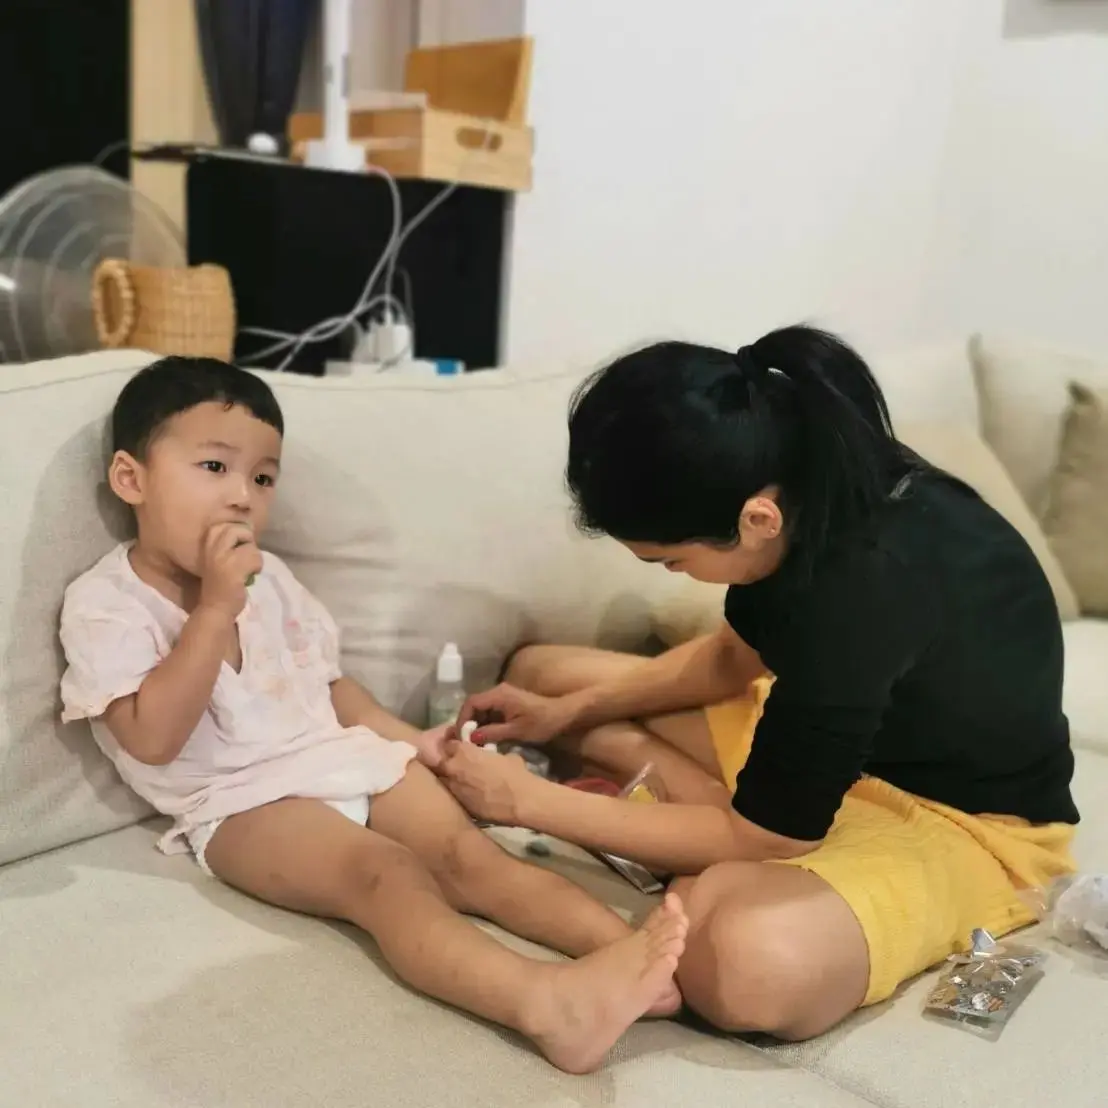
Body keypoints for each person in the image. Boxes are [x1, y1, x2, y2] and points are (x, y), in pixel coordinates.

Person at [439, 325, 1079, 1041]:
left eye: (671, 562)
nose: (673, 575)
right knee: (541, 676)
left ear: (757, 519)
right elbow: (731, 662)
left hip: (960, 822)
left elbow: (767, 838)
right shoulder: (809, 486)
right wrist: (567, 713)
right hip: (844, 743)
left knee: (745, 964)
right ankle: (687, 807)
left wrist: (526, 802)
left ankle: (688, 814)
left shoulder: (864, 586)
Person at [57, 356, 688, 1076]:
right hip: (238, 803)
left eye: (263, 478)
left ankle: (641, 964)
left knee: (471, 857)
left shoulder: (273, 579)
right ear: (131, 479)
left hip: (340, 752)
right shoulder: (106, 605)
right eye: (213, 467)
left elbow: (331, 689)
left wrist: (414, 743)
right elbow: (152, 738)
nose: (241, 497)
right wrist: (214, 610)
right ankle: (545, 1005)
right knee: (388, 875)